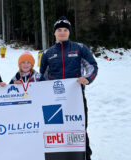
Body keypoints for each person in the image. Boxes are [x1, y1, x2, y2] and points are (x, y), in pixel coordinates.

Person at [40, 16, 98, 160]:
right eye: (59, 30)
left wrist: (87, 78)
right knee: (54, 130)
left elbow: (92, 66)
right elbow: (42, 78)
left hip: (76, 99)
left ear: (69, 32)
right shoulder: (47, 53)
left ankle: (85, 156)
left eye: (65, 29)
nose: (62, 32)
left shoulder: (80, 48)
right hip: (54, 101)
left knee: (79, 129)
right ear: (54, 33)